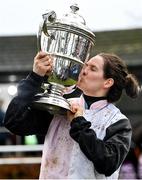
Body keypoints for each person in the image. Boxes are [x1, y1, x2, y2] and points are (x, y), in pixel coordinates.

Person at [3, 51, 140, 179]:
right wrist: (34, 78)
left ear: (108, 82)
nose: (83, 71)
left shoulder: (119, 122)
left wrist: (79, 123)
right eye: (85, 66)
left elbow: (108, 163)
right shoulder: (61, 106)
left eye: (92, 68)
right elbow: (13, 122)